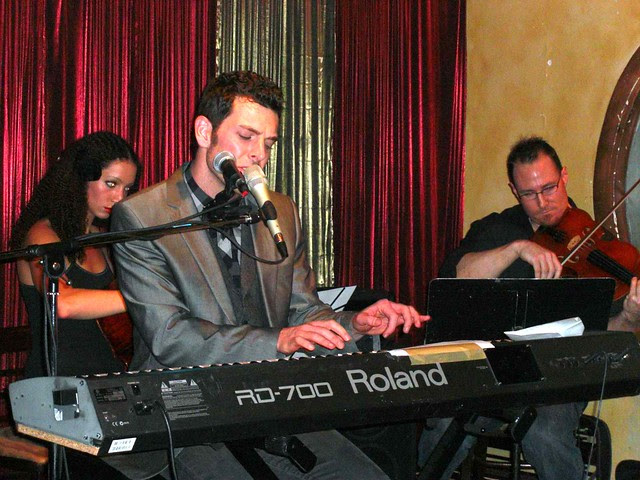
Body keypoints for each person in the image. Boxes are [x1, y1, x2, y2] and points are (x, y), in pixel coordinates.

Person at [107, 71, 428, 480]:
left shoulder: (280, 211)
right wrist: (277, 341)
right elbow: (171, 337)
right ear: (204, 132)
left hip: (267, 401)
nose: (259, 154)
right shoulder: (142, 216)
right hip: (185, 411)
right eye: (246, 136)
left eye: (269, 142)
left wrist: (354, 325)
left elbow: (303, 311)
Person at [418, 136, 640, 480]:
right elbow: (456, 276)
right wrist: (517, 249)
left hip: (557, 377)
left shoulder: (598, 244)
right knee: (444, 421)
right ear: (514, 191)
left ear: (564, 176)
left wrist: (629, 316)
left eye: (549, 188)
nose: (543, 202)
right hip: (488, 369)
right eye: (529, 194)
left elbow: (605, 334)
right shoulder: (497, 229)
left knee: (545, 431)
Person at [11, 131, 141, 378]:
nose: (120, 198)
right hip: (55, 383)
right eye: (111, 184)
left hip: (109, 379)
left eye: (127, 188)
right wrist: (141, 298)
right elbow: (63, 303)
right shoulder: (41, 235)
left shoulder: (104, 241)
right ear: (81, 178)